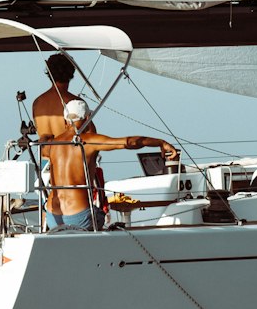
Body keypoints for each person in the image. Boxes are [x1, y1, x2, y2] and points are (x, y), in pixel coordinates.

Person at [32, 53, 179, 231]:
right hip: (79, 181)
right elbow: (127, 142)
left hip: (52, 183)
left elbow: (42, 143)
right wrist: (160, 142)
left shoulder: (38, 105)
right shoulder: (84, 132)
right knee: (101, 214)